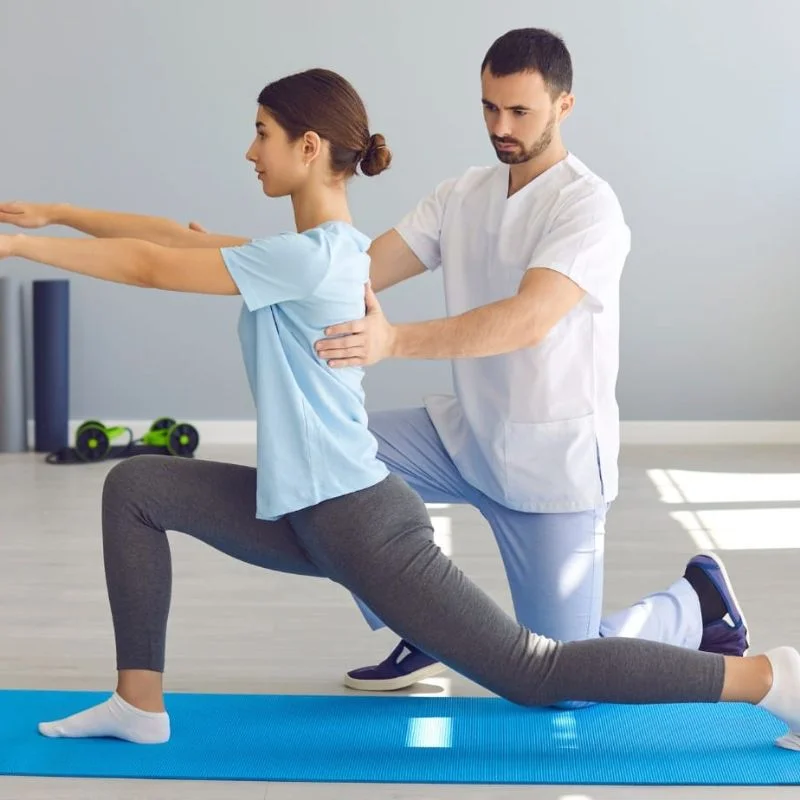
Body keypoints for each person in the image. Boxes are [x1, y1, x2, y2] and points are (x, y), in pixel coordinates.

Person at [1, 67, 798, 754]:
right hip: (306, 513)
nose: (250, 151)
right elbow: (175, 238)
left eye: (261, 133)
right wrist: (53, 213)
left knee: (540, 671)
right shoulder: (303, 256)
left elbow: (149, 265)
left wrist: (16, 249)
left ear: (308, 147)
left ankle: (771, 678)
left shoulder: (310, 261)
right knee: (137, 487)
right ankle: (139, 703)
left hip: (358, 523)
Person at [309, 28, 749, 693]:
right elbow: (357, 272)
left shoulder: (589, 206)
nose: (500, 126)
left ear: (564, 106)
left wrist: (394, 341)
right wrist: (256, 270)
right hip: (464, 436)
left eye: (520, 111)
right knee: (329, 460)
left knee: (559, 678)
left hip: (553, 466)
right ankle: (425, 620)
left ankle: (695, 606)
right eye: (489, 107)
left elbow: (527, 319)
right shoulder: (461, 193)